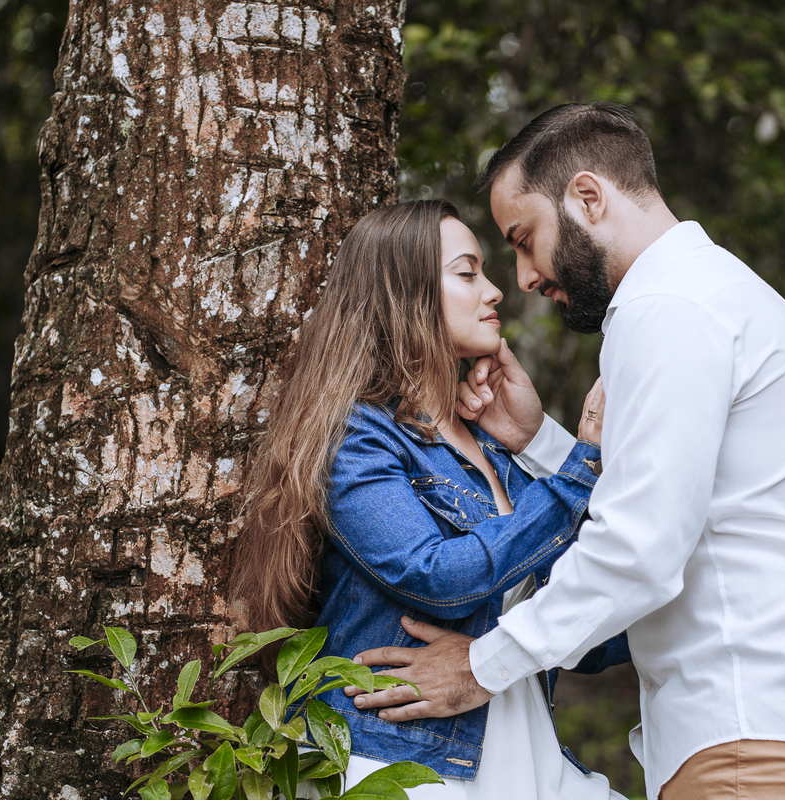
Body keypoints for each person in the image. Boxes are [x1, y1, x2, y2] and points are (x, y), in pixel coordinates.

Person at [346, 103, 785, 800]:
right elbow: (672, 503)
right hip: (767, 726)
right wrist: (539, 442)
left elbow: (639, 547)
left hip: (755, 733)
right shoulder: (715, 294)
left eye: (523, 238)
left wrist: (482, 665)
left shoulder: (671, 310)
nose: (523, 278)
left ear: (589, 198)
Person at [228, 199, 629, 799]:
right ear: (402, 294)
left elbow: (593, 630)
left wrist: (538, 439)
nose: (495, 291)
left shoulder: (499, 454)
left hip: (524, 752)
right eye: (467, 273)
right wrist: (577, 473)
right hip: (404, 762)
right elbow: (433, 575)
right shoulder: (360, 438)